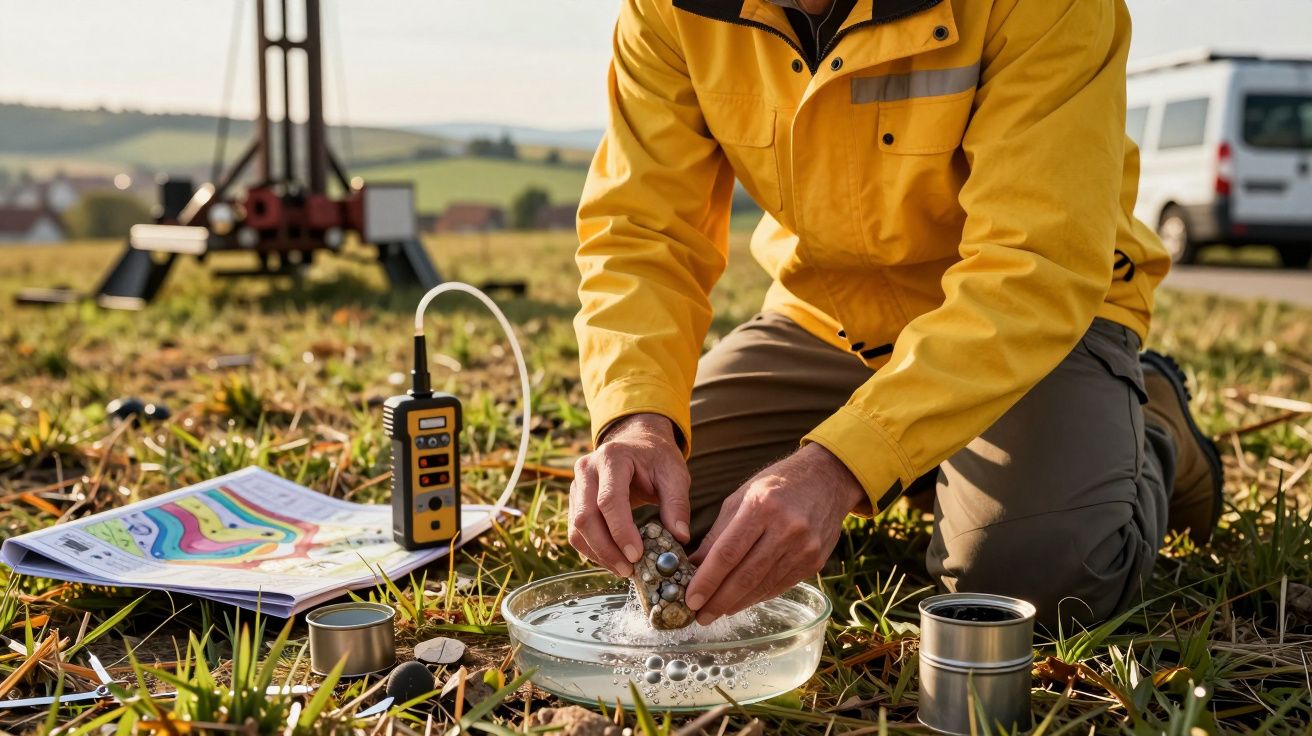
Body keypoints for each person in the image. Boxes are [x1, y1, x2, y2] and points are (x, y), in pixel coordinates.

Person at [567, 0, 1223, 627]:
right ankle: (936, 459)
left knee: (1029, 587)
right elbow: (642, 230)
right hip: (828, 317)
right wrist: (637, 418)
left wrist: (842, 466)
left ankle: (1152, 424)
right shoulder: (669, 6)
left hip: (1035, 323)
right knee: (665, 519)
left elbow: (1036, 263)